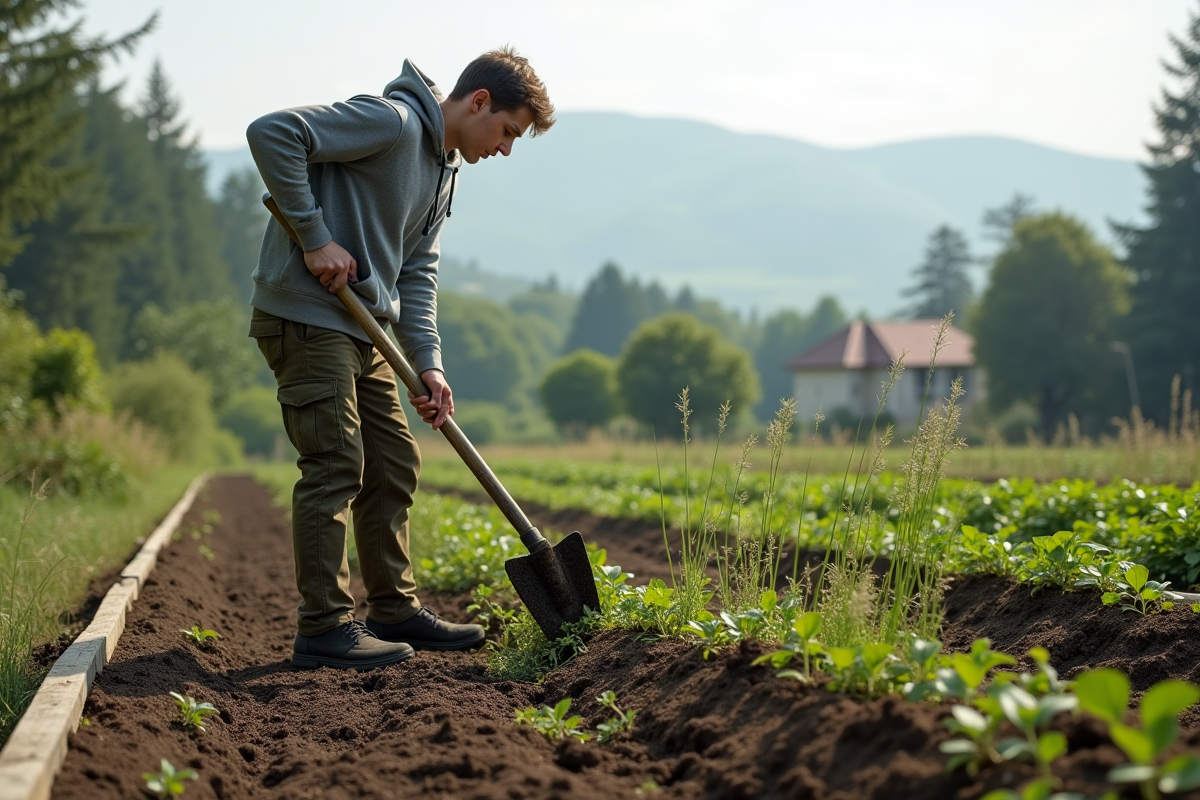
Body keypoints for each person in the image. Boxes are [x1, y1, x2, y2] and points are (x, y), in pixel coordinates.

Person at [245, 48, 555, 670]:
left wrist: (430, 364)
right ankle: (324, 628)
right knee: (335, 462)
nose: (506, 149)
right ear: (479, 102)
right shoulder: (393, 122)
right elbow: (272, 132)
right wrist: (314, 237)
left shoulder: (445, 173)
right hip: (307, 317)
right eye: (508, 132)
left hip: (366, 330)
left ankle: (393, 607)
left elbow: (417, 273)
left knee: (393, 461)